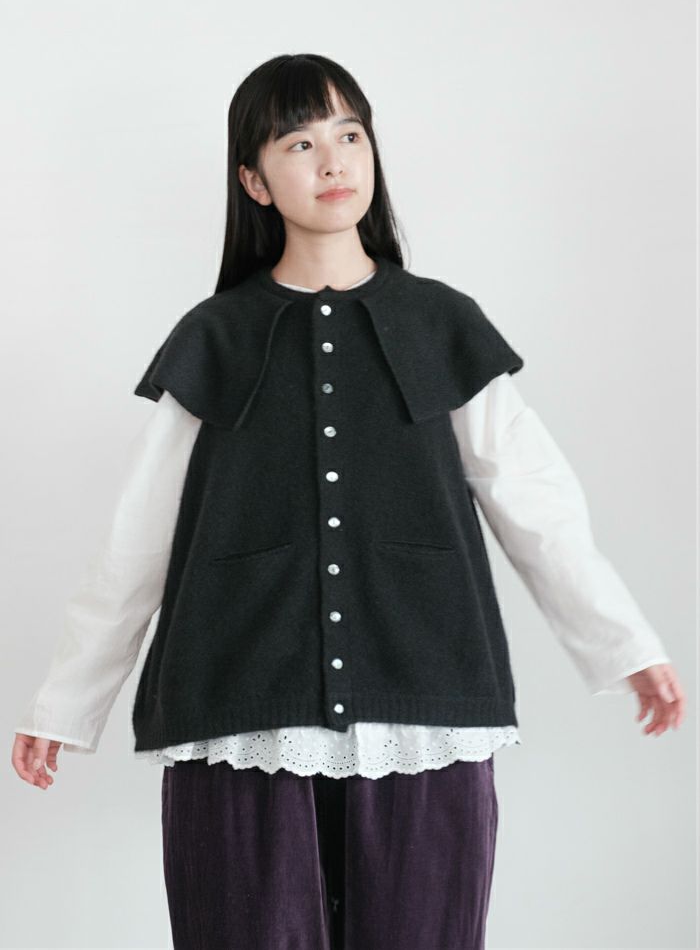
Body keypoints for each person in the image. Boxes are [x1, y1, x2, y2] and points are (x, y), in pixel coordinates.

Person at [12, 53, 685, 950]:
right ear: (254, 180)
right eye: (300, 142)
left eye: (350, 134)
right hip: (242, 706)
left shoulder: (442, 325)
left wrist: (626, 645)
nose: (333, 161)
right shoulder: (214, 338)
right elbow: (137, 541)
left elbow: (538, 506)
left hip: (426, 700)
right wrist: (64, 707)